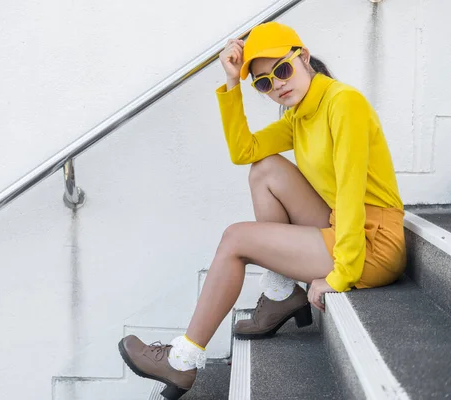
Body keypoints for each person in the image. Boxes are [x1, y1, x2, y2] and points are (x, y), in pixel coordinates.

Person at [117, 21, 406, 399]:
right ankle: (282, 292)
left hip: (374, 243)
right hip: (344, 224)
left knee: (237, 238)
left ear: (302, 57)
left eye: (282, 70)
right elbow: (244, 151)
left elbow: (351, 192)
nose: (278, 85)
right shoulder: (298, 114)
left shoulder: (343, 102)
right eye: (265, 84)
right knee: (265, 169)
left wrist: (340, 276)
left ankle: (183, 361)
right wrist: (234, 82)